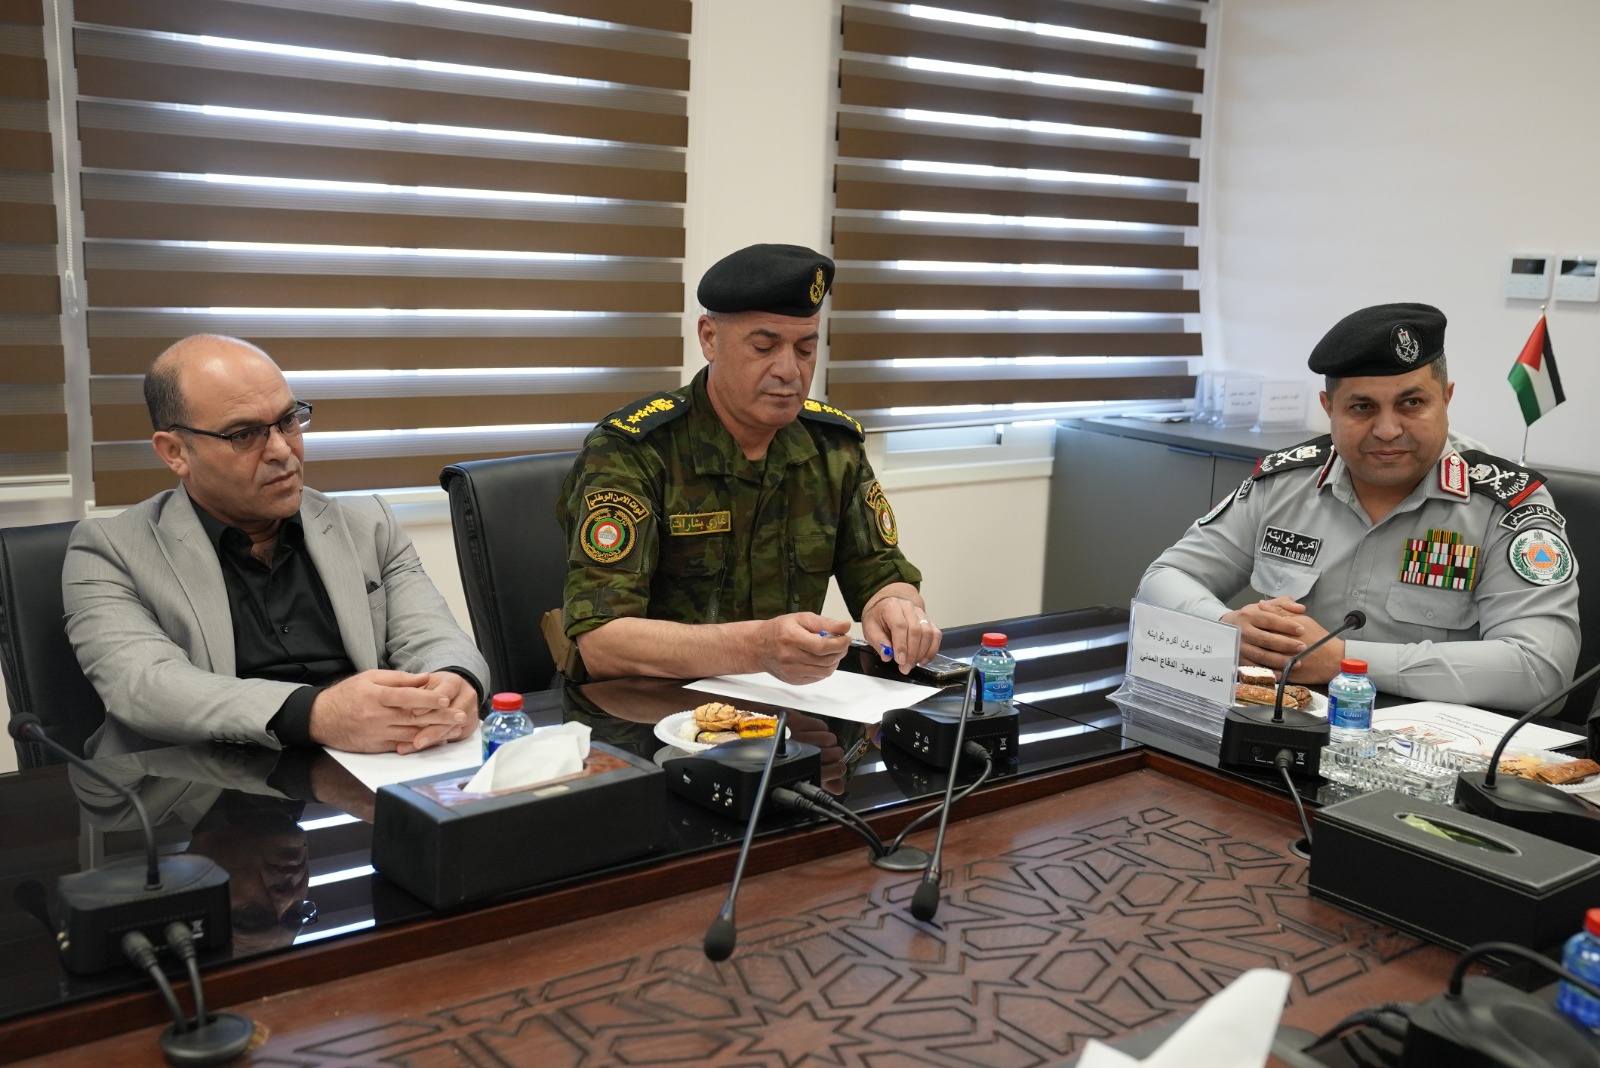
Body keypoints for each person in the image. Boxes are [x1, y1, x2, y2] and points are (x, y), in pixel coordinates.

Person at [1137, 303, 1578, 712]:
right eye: (1362, 407)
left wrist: (1343, 660)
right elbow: (1162, 579)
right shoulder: (1285, 482)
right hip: (1291, 723)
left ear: (1446, 399)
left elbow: (1542, 670)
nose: (1387, 430)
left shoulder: (1505, 504)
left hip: (1434, 747)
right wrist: (1226, 624)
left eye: (1412, 403)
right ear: (1329, 408)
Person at [63, 335, 490, 756]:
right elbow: (145, 686)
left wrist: (453, 682)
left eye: (288, 421)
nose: (283, 450)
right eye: (244, 434)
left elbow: (434, 636)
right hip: (202, 783)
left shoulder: (369, 525)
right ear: (175, 452)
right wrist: (316, 714)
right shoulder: (110, 551)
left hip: (371, 768)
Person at [555, 243, 940, 683]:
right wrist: (756, 648)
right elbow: (602, 641)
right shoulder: (633, 451)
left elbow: (880, 570)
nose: (789, 370)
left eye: (805, 349)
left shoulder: (833, 448)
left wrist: (895, 606)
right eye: (764, 346)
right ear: (709, 338)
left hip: (787, 707)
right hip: (652, 708)